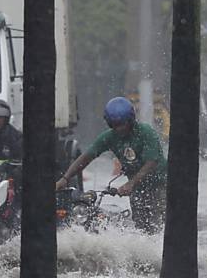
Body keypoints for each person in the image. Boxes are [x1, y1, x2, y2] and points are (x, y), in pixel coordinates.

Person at [56, 97, 167, 233]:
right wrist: (65, 178)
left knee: (159, 226)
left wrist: (130, 184)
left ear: (131, 120)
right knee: (142, 228)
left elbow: (152, 162)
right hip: (138, 190)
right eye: (115, 125)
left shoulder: (145, 132)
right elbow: (85, 158)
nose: (119, 128)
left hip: (161, 186)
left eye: (122, 124)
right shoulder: (109, 137)